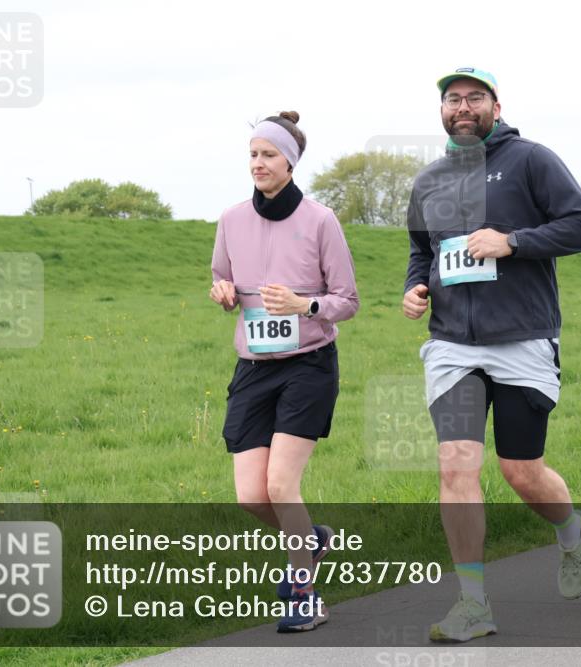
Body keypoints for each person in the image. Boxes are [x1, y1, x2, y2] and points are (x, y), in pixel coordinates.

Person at [402, 68, 581, 643]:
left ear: (495, 105)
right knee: (456, 465)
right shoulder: (431, 179)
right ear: (441, 111)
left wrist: (512, 241)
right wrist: (417, 287)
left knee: (521, 471)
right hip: (452, 346)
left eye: (473, 98)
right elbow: (424, 251)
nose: (462, 107)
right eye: (452, 100)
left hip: (521, 339)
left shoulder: (531, 160)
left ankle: (571, 532)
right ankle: (473, 604)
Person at [210, 110, 359, 633]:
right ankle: (312, 541)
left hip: (309, 365)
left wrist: (305, 306)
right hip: (253, 368)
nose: (258, 163)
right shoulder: (230, 220)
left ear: (290, 163)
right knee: (251, 496)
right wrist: (223, 293)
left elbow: (347, 300)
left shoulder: (320, 220)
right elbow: (221, 278)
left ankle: (303, 591)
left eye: (268, 154)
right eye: (252, 154)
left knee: (279, 484)